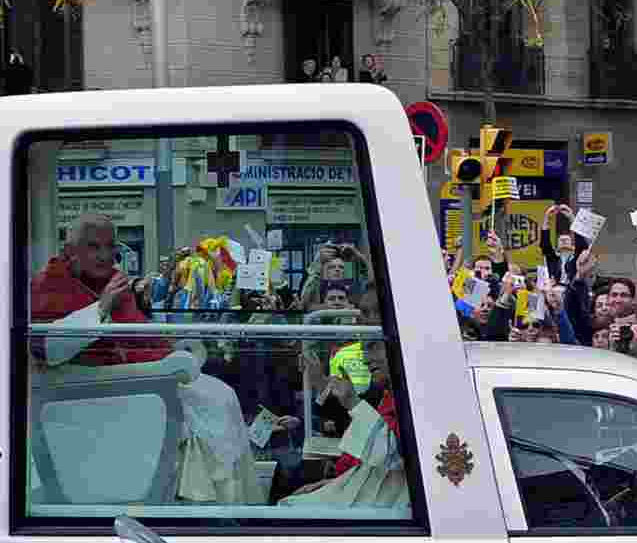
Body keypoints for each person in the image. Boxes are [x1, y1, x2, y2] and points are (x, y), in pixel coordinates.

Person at [30, 213, 259, 504]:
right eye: (92, 247)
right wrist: (101, 308)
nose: (104, 255)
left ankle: (232, 506)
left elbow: (136, 332)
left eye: (109, 246)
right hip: (98, 399)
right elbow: (47, 348)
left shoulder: (110, 281)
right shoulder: (50, 284)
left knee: (221, 394)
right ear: (69, 251)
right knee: (216, 399)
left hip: (130, 386)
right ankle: (211, 501)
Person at [280, 340, 408, 508]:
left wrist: (351, 402)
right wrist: (320, 383)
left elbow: (389, 456)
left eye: (373, 346)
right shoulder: (384, 389)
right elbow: (354, 418)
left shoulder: (418, 400)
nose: (365, 360)